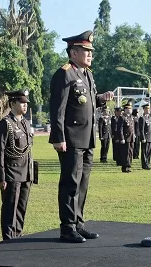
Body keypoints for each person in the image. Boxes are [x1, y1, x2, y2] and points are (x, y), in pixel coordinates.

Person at [48, 30, 114, 243]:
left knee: (83, 182)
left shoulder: (87, 74)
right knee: (70, 182)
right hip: (71, 138)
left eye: (90, 51)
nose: (90, 55)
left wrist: (101, 98)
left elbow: (88, 100)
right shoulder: (65, 73)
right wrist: (58, 137)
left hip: (88, 138)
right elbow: (57, 108)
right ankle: (67, 227)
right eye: (85, 51)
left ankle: (78, 223)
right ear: (73, 52)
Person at [0, 90, 34, 240]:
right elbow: (0, 152)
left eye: (26, 103)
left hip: (26, 173)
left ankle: (18, 235)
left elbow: (28, 150)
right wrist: (1, 176)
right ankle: (8, 238)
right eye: (22, 103)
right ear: (12, 104)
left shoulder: (26, 123)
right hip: (12, 173)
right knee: (10, 208)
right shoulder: (5, 124)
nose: (25, 105)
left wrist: (32, 173)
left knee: (21, 208)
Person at [119, 103, 135, 173]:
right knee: (126, 153)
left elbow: (132, 127)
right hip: (125, 138)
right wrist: (122, 138)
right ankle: (125, 167)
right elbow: (120, 129)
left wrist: (134, 134)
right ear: (125, 110)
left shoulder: (131, 117)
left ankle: (128, 166)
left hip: (131, 137)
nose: (129, 110)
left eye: (130, 109)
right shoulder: (122, 117)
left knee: (130, 152)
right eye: (128, 109)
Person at [139, 103, 151, 170]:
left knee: (149, 152)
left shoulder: (150, 117)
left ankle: (148, 163)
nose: (148, 110)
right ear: (144, 109)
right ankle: (144, 165)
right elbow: (141, 129)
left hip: (150, 137)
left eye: (149, 108)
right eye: (147, 108)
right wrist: (143, 137)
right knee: (144, 152)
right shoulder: (142, 118)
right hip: (145, 137)